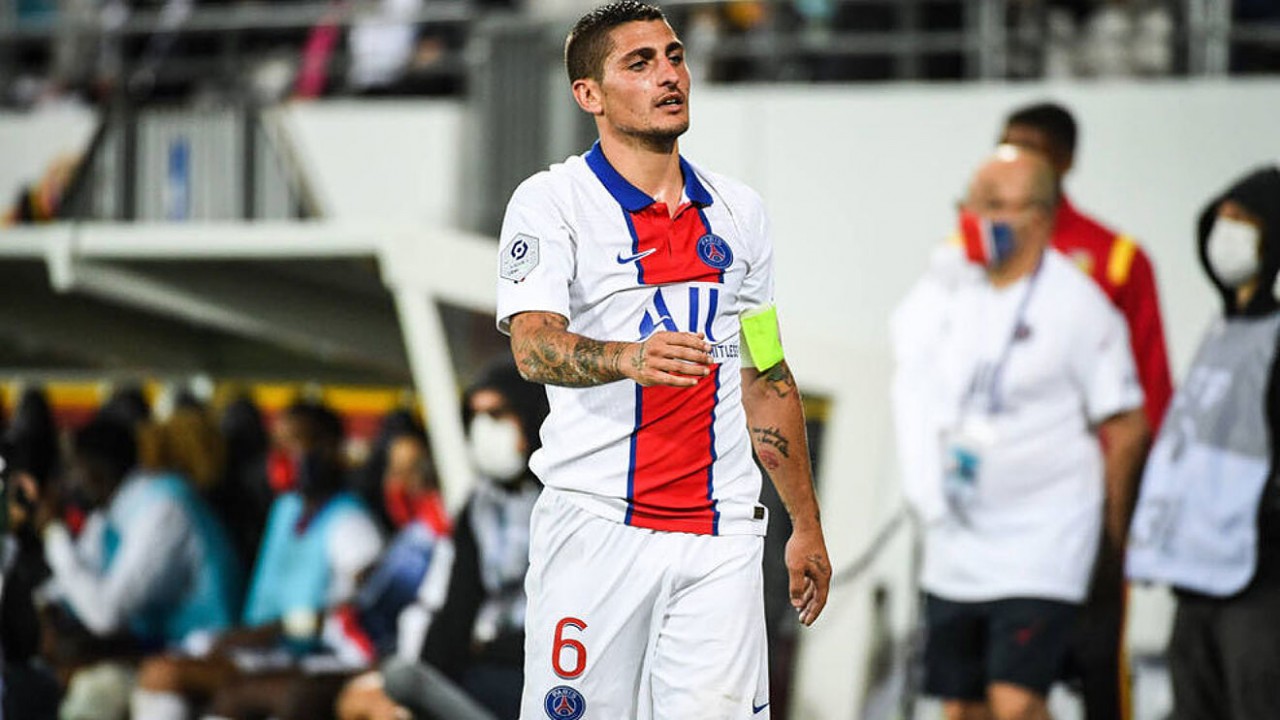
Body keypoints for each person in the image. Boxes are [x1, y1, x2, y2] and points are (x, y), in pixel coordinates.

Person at [494, 3, 831, 717]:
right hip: (597, 526)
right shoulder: (552, 202)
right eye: (640, 63)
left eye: (674, 56)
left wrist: (804, 523)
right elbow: (532, 345)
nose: (669, 74)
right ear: (589, 94)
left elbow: (765, 372)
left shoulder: (739, 213)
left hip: (721, 535)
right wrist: (629, 357)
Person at [890, 146, 1149, 720]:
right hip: (957, 542)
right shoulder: (951, 292)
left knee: (1016, 702)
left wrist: (1111, 541)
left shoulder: (1078, 306)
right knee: (962, 707)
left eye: (993, 204)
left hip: (1043, 543)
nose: (973, 218)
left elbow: (1128, 427)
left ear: (1038, 217)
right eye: (969, 202)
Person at [998, 101, 1173, 720]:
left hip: (1089, 502)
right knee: (1001, 668)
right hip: (1002, 497)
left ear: (1066, 160)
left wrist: (1130, 511)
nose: (1015, 160)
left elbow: (1152, 393)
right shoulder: (978, 256)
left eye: (1032, 148)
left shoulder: (1117, 259)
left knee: (1096, 661)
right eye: (1007, 145)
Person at [1127, 165, 1280, 720]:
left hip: (1257, 577)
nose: (1227, 230)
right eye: (1223, 217)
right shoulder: (1219, 332)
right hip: (1197, 571)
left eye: (1244, 220)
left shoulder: (1273, 337)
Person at [130, 400, 384, 719]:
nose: (280, 456)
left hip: (312, 655)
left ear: (329, 449)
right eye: (277, 445)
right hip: (266, 649)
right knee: (158, 671)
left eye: (293, 444)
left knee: (189, 682)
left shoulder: (350, 523)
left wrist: (272, 631)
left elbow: (365, 608)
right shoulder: (286, 508)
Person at [339, 360, 550, 720]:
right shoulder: (480, 506)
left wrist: (487, 648)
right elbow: (457, 606)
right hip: (484, 668)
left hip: (548, 668)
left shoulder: (563, 500)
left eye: (497, 414)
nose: (485, 429)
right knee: (378, 692)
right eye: (476, 416)